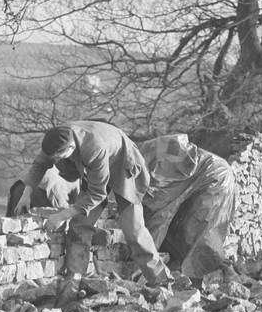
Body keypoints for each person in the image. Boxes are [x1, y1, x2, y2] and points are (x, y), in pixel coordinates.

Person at [12, 121, 171, 291]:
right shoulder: (56, 138)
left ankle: (160, 280)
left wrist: (62, 215)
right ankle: (75, 279)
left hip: (123, 165)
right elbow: (39, 165)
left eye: (59, 158)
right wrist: (26, 194)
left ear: (70, 148)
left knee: (133, 228)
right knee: (80, 223)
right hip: (94, 170)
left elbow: (97, 194)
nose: (56, 162)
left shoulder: (94, 147)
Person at [136, 133, 237, 280]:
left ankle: (222, 273)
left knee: (199, 230)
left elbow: (162, 210)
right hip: (215, 173)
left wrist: (146, 255)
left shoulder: (153, 159)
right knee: (185, 228)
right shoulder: (147, 153)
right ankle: (190, 273)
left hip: (215, 178)